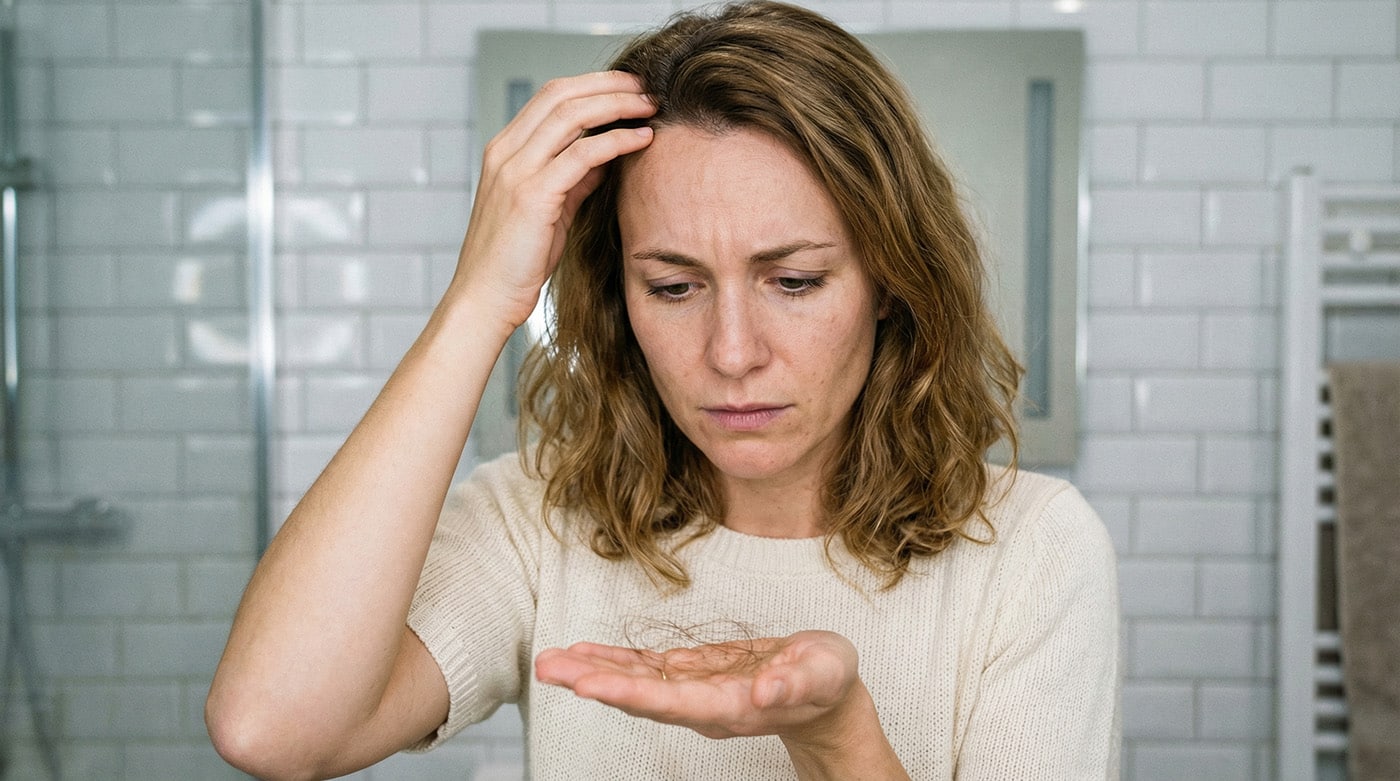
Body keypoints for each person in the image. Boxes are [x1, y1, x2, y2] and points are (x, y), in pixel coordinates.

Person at [205, 2, 1120, 779]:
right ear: (620, 297)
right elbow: (274, 727)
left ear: (888, 279)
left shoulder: (1032, 549)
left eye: (793, 281)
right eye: (673, 287)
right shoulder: (540, 516)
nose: (730, 352)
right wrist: (480, 298)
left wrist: (838, 738)